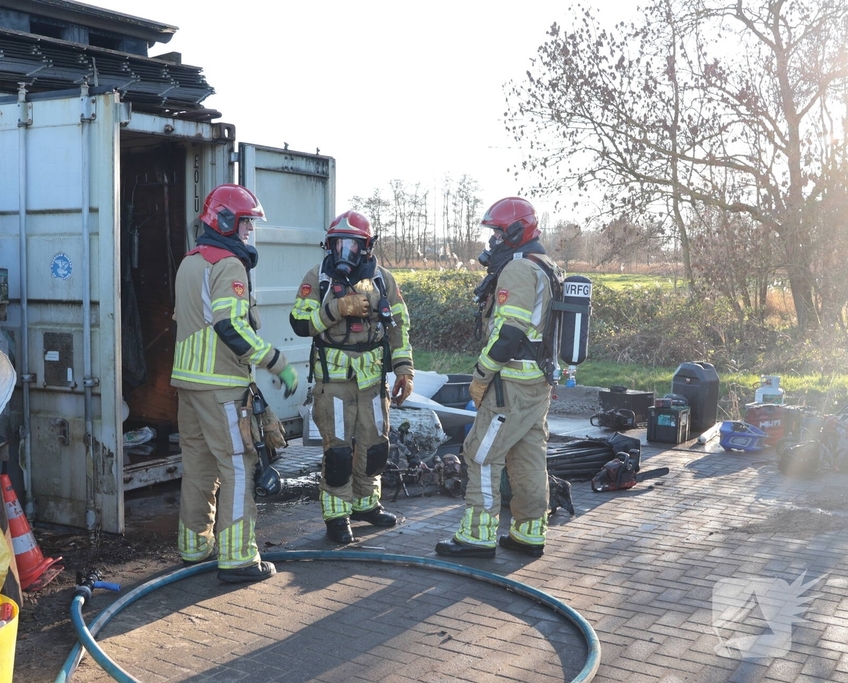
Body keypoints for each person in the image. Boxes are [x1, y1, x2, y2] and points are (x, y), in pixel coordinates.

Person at [171, 183, 298, 583]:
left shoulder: (190, 262)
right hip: (221, 385)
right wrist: (276, 361)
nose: (249, 233)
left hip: (188, 384)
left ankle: (193, 547)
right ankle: (239, 558)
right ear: (224, 221)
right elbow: (231, 327)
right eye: (245, 224)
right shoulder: (228, 264)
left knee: (198, 466)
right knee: (238, 466)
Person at [434, 197, 561, 560]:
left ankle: (477, 537)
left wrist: (480, 376)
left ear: (517, 231)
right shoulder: (545, 265)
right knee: (528, 456)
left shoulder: (519, 270)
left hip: (510, 386)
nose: (493, 242)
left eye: (498, 233)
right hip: (536, 384)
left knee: (481, 455)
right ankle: (529, 533)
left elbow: (508, 333)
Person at [290, 210, 414, 544]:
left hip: (373, 384)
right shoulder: (318, 278)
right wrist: (336, 309)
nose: (346, 251)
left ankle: (365, 505)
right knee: (339, 453)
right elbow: (300, 324)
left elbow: (399, 327)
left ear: (367, 246)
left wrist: (404, 370)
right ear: (329, 245)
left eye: (354, 244)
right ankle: (336, 516)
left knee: (374, 448)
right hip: (335, 384)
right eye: (339, 243)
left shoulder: (382, 280)